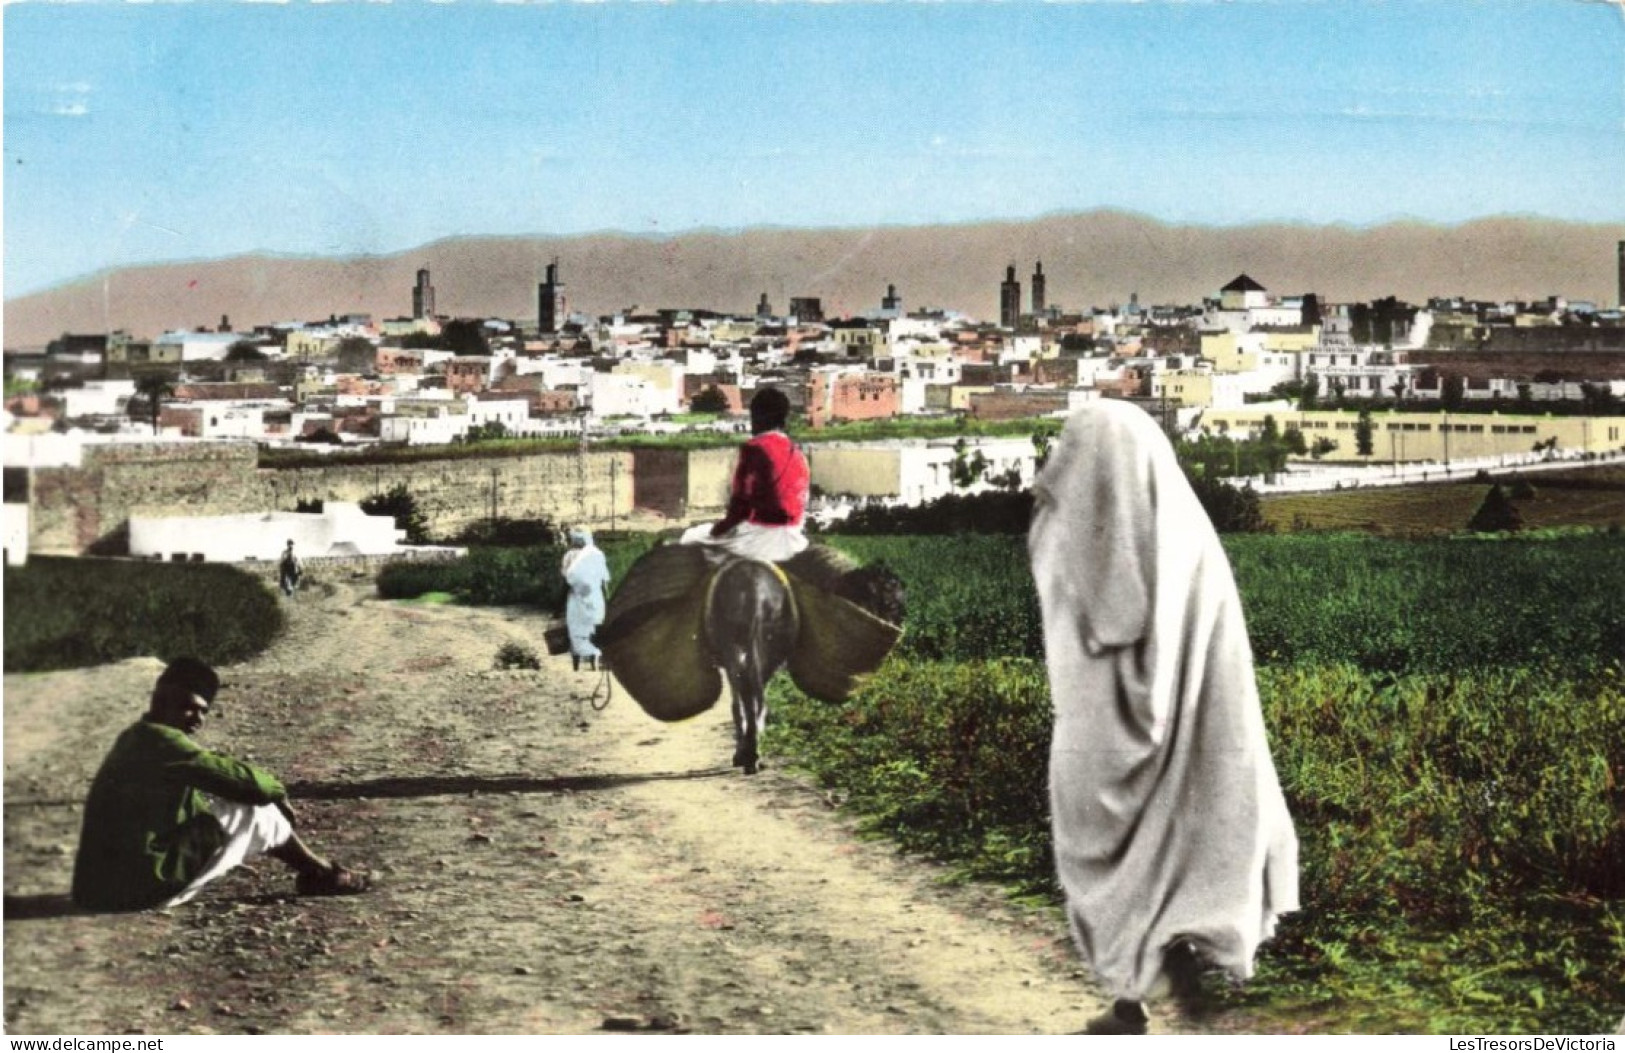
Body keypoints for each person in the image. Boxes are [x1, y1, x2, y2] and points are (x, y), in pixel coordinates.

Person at [1026, 399, 1299, 1035]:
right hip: (1192, 732)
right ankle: (1164, 966)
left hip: (1123, 730)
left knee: (1119, 835)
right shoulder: (1187, 537)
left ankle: (1143, 980)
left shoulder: (1106, 536)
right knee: (1187, 826)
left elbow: (1113, 613)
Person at [71, 658, 369, 912]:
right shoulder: (162, 741)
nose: (197, 720)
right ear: (161, 700)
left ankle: (317, 871)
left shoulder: (136, 737)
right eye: (190, 708)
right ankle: (320, 873)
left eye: (203, 712)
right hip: (134, 893)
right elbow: (251, 787)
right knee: (255, 811)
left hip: (96, 893)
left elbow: (210, 792)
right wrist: (277, 792)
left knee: (220, 807)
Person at [680, 386, 810, 563]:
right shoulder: (797, 453)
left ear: (757, 416)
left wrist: (716, 531)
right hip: (793, 539)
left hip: (759, 539)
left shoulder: (754, 448)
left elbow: (740, 507)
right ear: (784, 419)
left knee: (690, 537)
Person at [560, 527, 611, 672]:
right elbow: (603, 581)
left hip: (576, 598)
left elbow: (566, 581)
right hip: (595, 598)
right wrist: (607, 600)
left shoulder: (570, 556)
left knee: (576, 630)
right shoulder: (596, 554)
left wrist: (558, 605)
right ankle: (594, 662)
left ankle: (576, 666)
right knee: (593, 630)